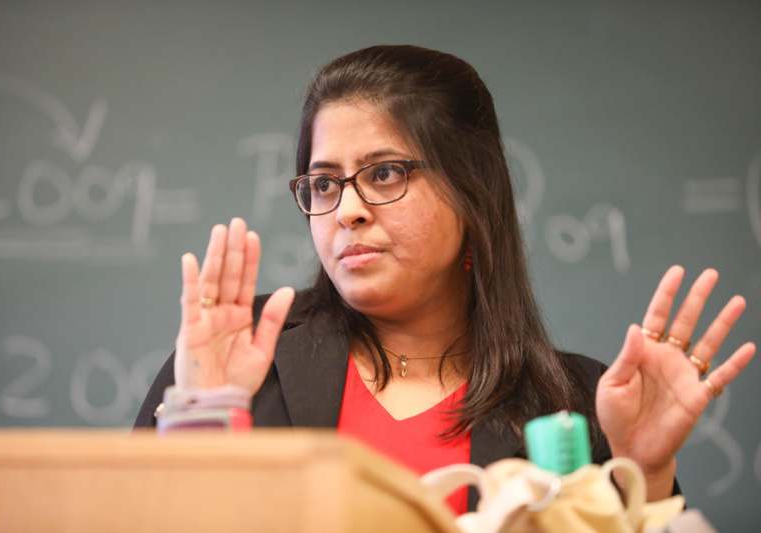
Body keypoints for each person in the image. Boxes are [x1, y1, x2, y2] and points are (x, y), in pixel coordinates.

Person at [134, 45, 755, 515]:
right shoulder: (239, 354)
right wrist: (200, 417)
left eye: (385, 173)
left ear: (472, 192)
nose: (346, 209)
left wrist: (643, 472)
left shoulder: (579, 404)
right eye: (323, 183)